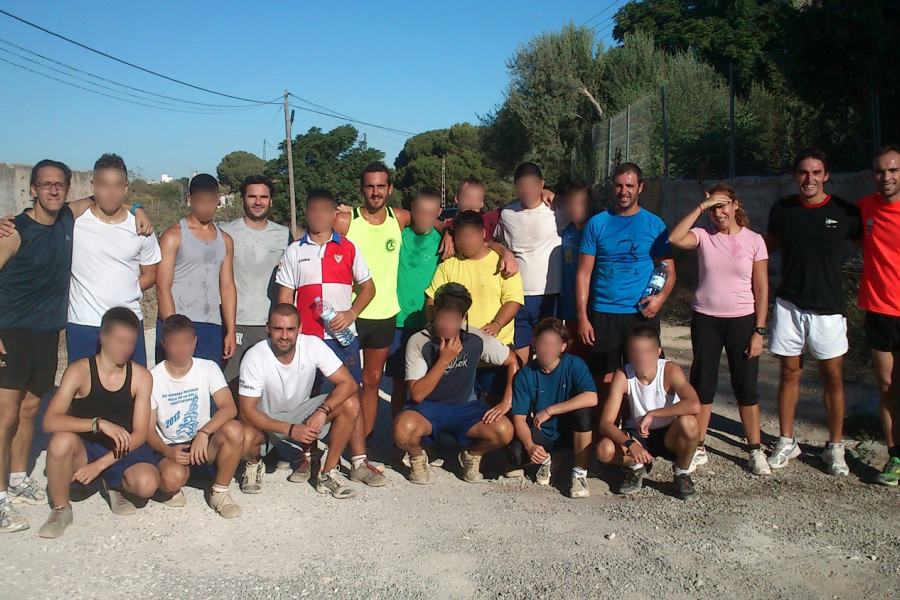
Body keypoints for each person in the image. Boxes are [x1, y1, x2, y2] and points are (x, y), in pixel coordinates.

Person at [276, 189, 385, 486]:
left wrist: (351, 313)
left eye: (325, 211)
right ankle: (306, 458)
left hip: (343, 338)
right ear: (307, 214)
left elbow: (368, 288)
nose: (319, 216)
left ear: (333, 215)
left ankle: (359, 461)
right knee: (306, 397)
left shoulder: (349, 248)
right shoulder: (294, 251)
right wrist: (288, 332)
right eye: (313, 211)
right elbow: (285, 298)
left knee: (351, 394)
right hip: (307, 339)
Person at [765, 150, 861, 475]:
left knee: (832, 377)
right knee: (789, 374)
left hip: (829, 308)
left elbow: (873, 246)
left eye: (816, 172)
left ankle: (834, 448)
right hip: (790, 305)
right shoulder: (783, 211)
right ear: (795, 176)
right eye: (804, 173)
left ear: (826, 175)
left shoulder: (845, 213)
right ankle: (786, 440)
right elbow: (763, 249)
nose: (810, 179)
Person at [668, 184, 771, 475]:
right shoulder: (703, 236)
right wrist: (701, 207)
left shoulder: (754, 240)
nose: (718, 212)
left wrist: (758, 331)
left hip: (742, 319)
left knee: (746, 386)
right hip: (706, 319)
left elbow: (761, 288)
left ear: (736, 205)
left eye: (723, 205)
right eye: (713, 207)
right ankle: (699, 445)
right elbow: (675, 237)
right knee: (703, 384)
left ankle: (754, 449)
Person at [38, 308, 159, 539]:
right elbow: (50, 421)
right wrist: (98, 424)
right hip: (86, 446)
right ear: (103, 337)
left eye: (131, 342)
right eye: (120, 341)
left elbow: (140, 434)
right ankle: (61, 508)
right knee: (60, 441)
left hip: (122, 449)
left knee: (146, 484)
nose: (125, 348)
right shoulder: (79, 371)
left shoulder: (141, 376)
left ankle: (113, 485)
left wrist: (99, 465)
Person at [0, 160, 72, 533]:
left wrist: (138, 210)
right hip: (10, 332)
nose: (53, 190)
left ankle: (17, 478)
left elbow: (102, 199)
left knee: (29, 410)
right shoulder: (13, 230)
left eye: (59, 184)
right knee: (5, 416)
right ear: (32, 189)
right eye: (45, 185)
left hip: (46, 334)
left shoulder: (67, 221)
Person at [238, 304, 376, 498]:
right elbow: (247, 412)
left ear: (300, 329)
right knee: (241, 436)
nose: (284, 336)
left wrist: (322, 411)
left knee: (350, 401)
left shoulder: (312, 345)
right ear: (268, 328)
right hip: (265, 421)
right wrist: (291, 430)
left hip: (301, 412)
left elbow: (349, 384)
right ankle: (253, 464)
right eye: (278, 329)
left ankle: (327, 473)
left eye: (290, 329)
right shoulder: (255, 356)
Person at [393, 283, 518, 485]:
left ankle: (471, 454)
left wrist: (507, 401)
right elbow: (416, 395)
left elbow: (513, 361)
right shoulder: (419, 341)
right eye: (442, 318)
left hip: (465, 407)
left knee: (504, 431)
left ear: (463, 319)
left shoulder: (476, 338)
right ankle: (417, 456)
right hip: (428, 408)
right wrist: (444, 360)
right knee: (402, 430)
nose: (447, 325)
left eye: (453, 320)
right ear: (434, 315)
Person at [333, 162, 416, 443]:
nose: (375, 192)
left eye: (381, 186)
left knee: (372, 382)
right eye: (370, 186)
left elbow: (435, 221)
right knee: (346, 384)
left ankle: (364, 443)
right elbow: (316, 237)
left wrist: (451, 235)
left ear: (390, 189)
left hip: (383, 314)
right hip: (351, 315)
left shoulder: (400, 217)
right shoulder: (346, 221)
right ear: (361, 189)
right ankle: (341, 439)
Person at [576, 162, 675, 389]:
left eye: (629, 185)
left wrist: (660, 299)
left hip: (641, 313)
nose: (624, 191)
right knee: (604, 380)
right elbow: (583, 273)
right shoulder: (597, 224)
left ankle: (643, 424)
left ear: (640, 187)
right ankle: (609, 424)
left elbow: (669, 269)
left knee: (646, 375)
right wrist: (583, 317)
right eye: (619, 185)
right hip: (604, 312)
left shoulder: (655, 224)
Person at [66, 154, 161, 365]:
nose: (110, 192)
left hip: (128, 323)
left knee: (130, 390)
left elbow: (150, 275)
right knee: (83, 392)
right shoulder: (74, 221)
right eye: (104, 185)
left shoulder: (141, 228)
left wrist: (123, 290)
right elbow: (41, 217)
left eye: (117, 185)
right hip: (84, 323)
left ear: (126, 187)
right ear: (93, 186)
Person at [147, 315, 243, 518]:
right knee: (172, 479)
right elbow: (147, 430)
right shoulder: (152, 378)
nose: (181, 349)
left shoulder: (207, 368)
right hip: (172, 447)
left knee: (234, 429)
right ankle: (174, 480)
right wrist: (167, 451)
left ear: (195, 342)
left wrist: (204, 432)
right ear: (164, 344)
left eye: (186, 342)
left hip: (202, 442)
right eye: (174, 343)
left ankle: (220, 492)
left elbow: (229, 407)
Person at [426, 210, 524, 401]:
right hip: (458, 356)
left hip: (496, 353)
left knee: (492, 411)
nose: (466, 241)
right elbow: (431, 300)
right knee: (460, 409)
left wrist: (496, 324)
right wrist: (435, 326)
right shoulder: (448, 265)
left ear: (482, 234)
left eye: (471, 235)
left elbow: (513, 301)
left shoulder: (502, 263)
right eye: (461, 236)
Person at [596, 325, 702, 501]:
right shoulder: (623, 375)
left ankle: (681, 473)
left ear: (658, 351)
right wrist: (630, 443)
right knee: (604, 450)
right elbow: (605, 423)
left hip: (669, 433)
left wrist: (653, 413)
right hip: (639, 435)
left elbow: (694, 404)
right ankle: (637, 467)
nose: (641, 357)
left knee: (689, 423)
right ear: (628, 353)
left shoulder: (669, 370)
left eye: (647, 351)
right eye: (635, 351)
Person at [507, 318, 598, 498]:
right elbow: (518, 418)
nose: (548, 349)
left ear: (563, 346)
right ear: (534, 343)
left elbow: (592, 397)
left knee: (584, 414)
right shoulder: (524, 375)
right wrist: (530, 446)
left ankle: (579, 473)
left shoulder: (574, 364)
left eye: (553, 344)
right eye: (543, 343)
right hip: (544, 432)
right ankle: (548, 459)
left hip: (570, 430)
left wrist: (551, 410)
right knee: (515, 454)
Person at [156, 173, 236, 367]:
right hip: (178, 323)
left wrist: (231, 330)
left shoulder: (225, 240)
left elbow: (227, 287)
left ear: (218, 200)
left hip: (210, 326)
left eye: (211, 202)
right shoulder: (173, 236)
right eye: (200, 201)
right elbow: (162, 287)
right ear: (189, 200)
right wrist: (173, 331)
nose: (206, 207)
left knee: (208, 388)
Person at [220, 175, 291, 391]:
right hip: (236, 323)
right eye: (252, 196)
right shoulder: (225, 231)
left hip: (270, 326)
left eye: (263, 197)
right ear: (243, 199)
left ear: (271, 200)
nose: (258, 202)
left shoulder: (283, 234)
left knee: (268, 389)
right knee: (232, 386)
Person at [857, 145, 900, 486]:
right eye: (880, 171)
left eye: (893, 170)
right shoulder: (864, 208)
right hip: (879, 311)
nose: (886, 177)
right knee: (887, 387)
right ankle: (894, 456)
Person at [494, 163, 564, 363]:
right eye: (522, 186)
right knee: (519, 358)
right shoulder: (507, 214)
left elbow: (584, 210)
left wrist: (553, 194)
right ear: (515, 187)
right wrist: (505, 252)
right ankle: (520, 392)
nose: (528, 191)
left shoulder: (557, 209)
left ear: (542, 185)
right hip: (518, 296)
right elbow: (491, 242)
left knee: (548, 355)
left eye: (533, 185)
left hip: (549, 295)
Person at [387, 187, 443, 419]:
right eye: (420, 212)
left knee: (430, 382)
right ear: (411, 210)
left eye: (431, 213)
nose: (424, 218)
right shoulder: (399, 233)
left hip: (430, 322)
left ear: (438, 213)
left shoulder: (443, 242)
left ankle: (427, 435)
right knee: (400, 383)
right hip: (399, 321)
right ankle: (398, 436)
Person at [559, 178, 593, 358]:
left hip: (594, 309)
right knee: (573, 358)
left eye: (581, 202)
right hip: (570, 308)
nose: (576, 207)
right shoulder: (566, 230)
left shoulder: (596, 230)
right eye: (571, 202)